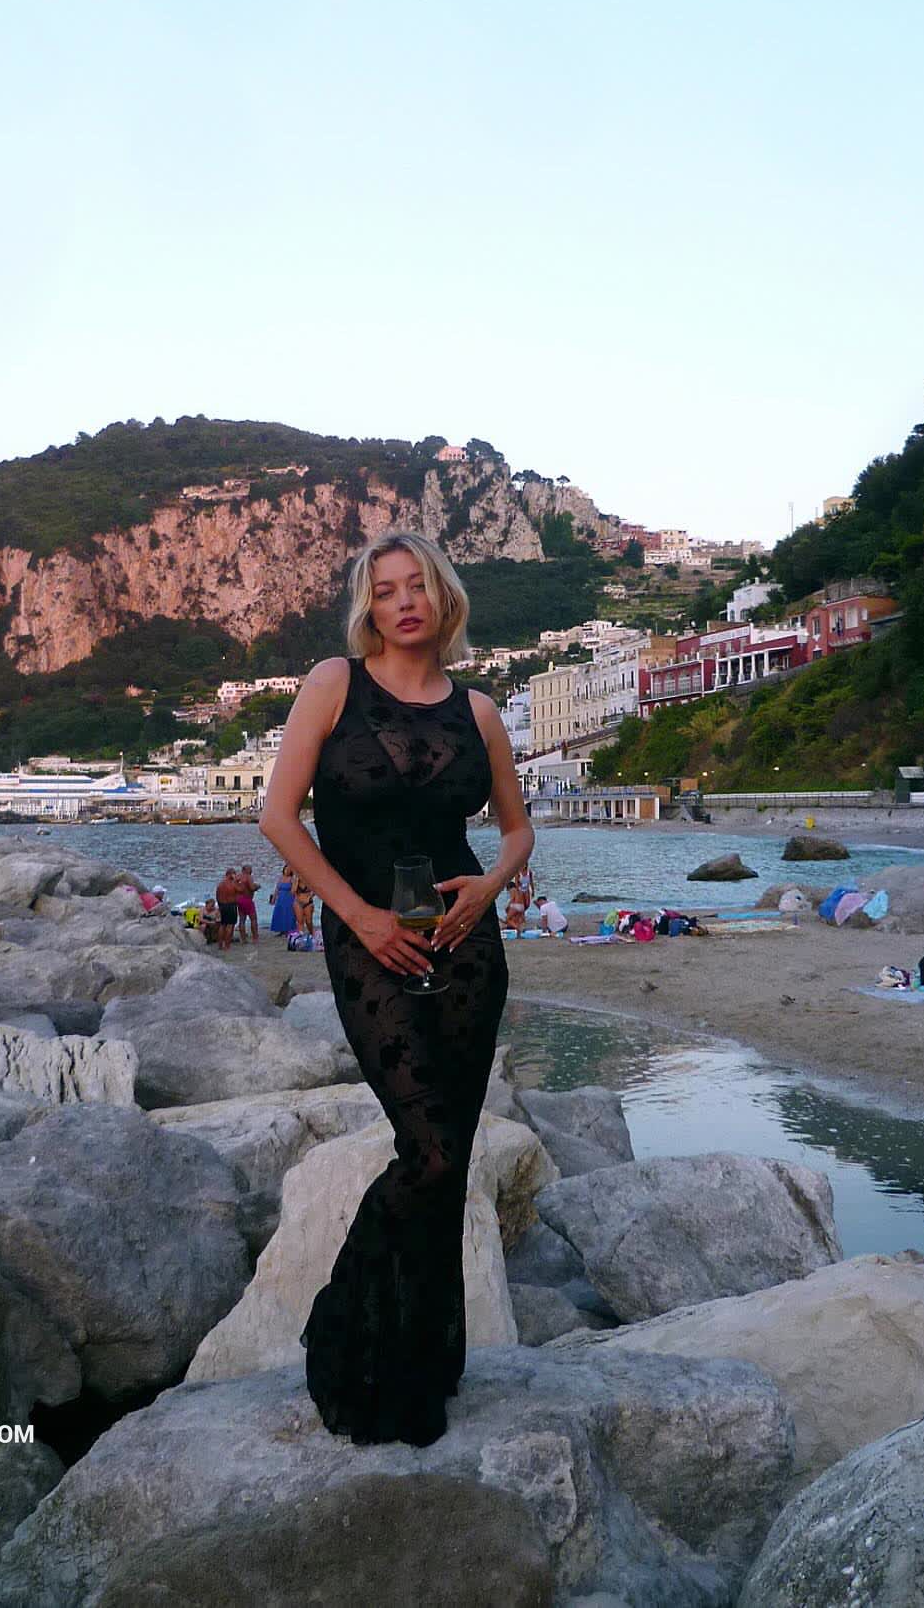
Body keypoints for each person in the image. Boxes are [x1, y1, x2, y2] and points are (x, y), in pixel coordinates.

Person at [257, 528, 532, 1447]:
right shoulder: (334, 683)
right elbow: (279, 817)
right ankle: (343, 1331)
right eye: (385, 589)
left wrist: (488, 887)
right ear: (367, 606)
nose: (404, 601)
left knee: (450, 1164)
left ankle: (421, 1371)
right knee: (430, 1155)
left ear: (443, 596)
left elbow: (516, 832)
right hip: (367, 941)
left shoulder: (479, 710)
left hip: (465, 947)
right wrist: (359, 915)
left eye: (417, 585)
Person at [214, 868, 241, 951]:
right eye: (234, 874)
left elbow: (217, 897)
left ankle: (220, 945)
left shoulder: (220, 884)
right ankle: (227, 946)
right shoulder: (233, 884)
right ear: (230, 874)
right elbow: (241, 890)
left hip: (222, 905)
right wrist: (237, 881)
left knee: (222, 925)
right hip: (231, 906)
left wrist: (220, 906)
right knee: (230, 925)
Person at [268, 863, 298, 935]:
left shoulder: (292, 879)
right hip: (280, 898)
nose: (287, 871)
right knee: (280, 913)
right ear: (283, 870)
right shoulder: (280, 878)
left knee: (288, 913)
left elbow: (294, 890)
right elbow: (276, 889)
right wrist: (273, 898)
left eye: (289, 870)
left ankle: (289, 930)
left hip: (289, 898)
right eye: (286, 869)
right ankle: (281, 930)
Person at [236, 864, 260, 944]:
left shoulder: (238, 877)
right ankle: (255, 938)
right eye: (250, 869)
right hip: (247, 899)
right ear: (245, 870)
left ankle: (243, 939)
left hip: (239, 899)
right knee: (253, 919)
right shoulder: (248, 877)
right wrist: (257, 886)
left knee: (242, 919)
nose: (251, 871)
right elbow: (252, 888)